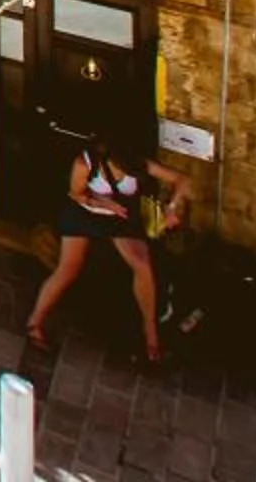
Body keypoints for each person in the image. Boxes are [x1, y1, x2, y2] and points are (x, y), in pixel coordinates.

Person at [25, 132, 180, 361]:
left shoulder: (138, 163)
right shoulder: (84, 163)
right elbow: (76, 194)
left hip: (119, 217)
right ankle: (34, 322)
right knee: (69, 269)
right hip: (86, 211)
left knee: (143, 266)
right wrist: (104, 202)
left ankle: (151, 335)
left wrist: (172, 208)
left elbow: (183, 180)